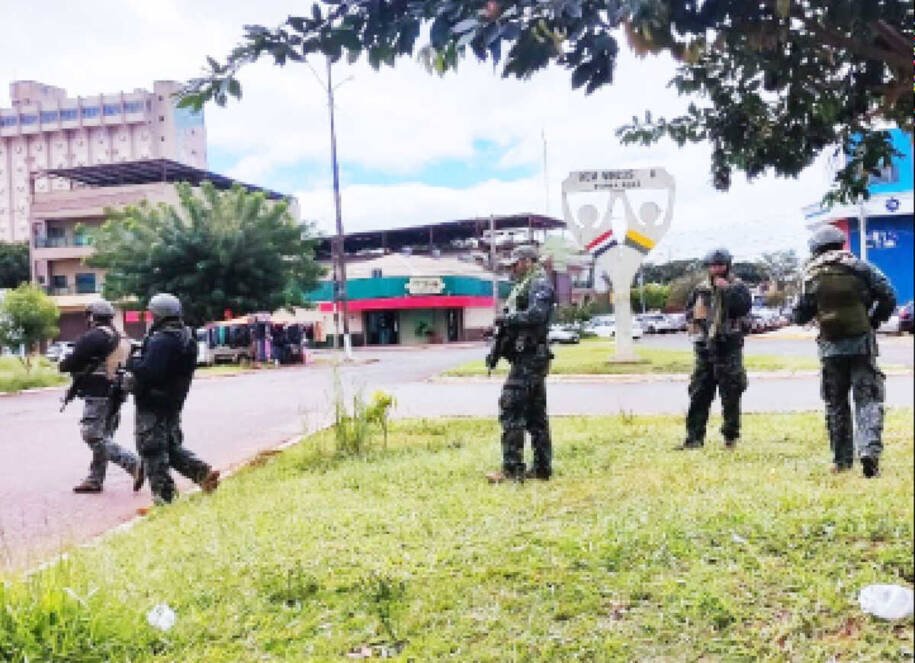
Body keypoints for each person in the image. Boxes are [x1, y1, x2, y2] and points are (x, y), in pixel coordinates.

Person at [793, 225, 896, 477]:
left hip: (830, 348)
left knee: (836, 403)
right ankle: (869, 451)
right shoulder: (861, 268)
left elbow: (799, 314)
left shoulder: (809, 275)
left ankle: (841, 460)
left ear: (815, 248)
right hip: (862, 344)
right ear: (841, 244)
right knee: (868, 399)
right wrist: (873, 319)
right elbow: (888, 296)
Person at [127, 293, 219, 503]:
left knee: (151, 449)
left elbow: (150, 371)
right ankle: (201, 473)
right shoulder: (186, 337)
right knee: (169, 446)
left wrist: (131, 362)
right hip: (172, 401)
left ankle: (164, 497)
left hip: (153, 402)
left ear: (159, 315)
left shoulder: (162, 340)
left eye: (152, 314)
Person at [485, 245, 556, 483]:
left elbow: (537, 315)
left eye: (515, 264)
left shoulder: (539, 283)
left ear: (527, 261)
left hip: (530, 358)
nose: (512, 270)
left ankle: (512, 469)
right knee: (536, 414)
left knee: (511, 409)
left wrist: (509, 319)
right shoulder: (527, 284)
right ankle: (542, 468)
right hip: (528, 357)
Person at [59, 300, 143, 493]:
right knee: (104, 437)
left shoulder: (94, 337)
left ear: (92, 317)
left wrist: (63, 365)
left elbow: (73, 361)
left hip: (98, 392)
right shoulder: (123, 337)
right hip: (117, 392)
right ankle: (95, 479)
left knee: (92, 435)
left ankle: (133, 464)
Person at [681, 248, 752, 449]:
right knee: (699, 393)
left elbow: (743, 308)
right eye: (713, 266)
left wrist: (727, 290)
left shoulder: (738, 287)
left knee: (731, 393)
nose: (716, 269)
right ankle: (694, 438)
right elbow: (689, 312)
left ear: (728, 265)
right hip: (705, 349)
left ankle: (730, 437)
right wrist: (695, 331)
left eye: (720, 265)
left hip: (728, 348)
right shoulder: (701, 289)